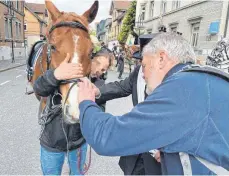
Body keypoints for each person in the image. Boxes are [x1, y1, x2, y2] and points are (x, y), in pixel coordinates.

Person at [77, 32, 229, 174]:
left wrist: (86, 102)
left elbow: (107, 137)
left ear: (161, 58)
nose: (143, 73)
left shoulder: (180, 89)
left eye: (144, 65)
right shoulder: (203, 81)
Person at [33, 49, 112, 175]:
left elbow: (100, 111)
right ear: (88, 58)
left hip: (78, 143)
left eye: (104, 70)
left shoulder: (99, 84)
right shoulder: (64, 71)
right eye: (97, 63)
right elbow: (38, 89)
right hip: (52, 142)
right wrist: (54, 75)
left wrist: (92, 103)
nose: (99, 71)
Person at [95, 35, 161, 175]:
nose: (142, 69)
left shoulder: (174, 81)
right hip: (137, 148)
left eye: (145, 64)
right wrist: (96, 92)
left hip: (158, 156)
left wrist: (169, 148)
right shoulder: (138, 72)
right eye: (141, 62)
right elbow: (121, 87)